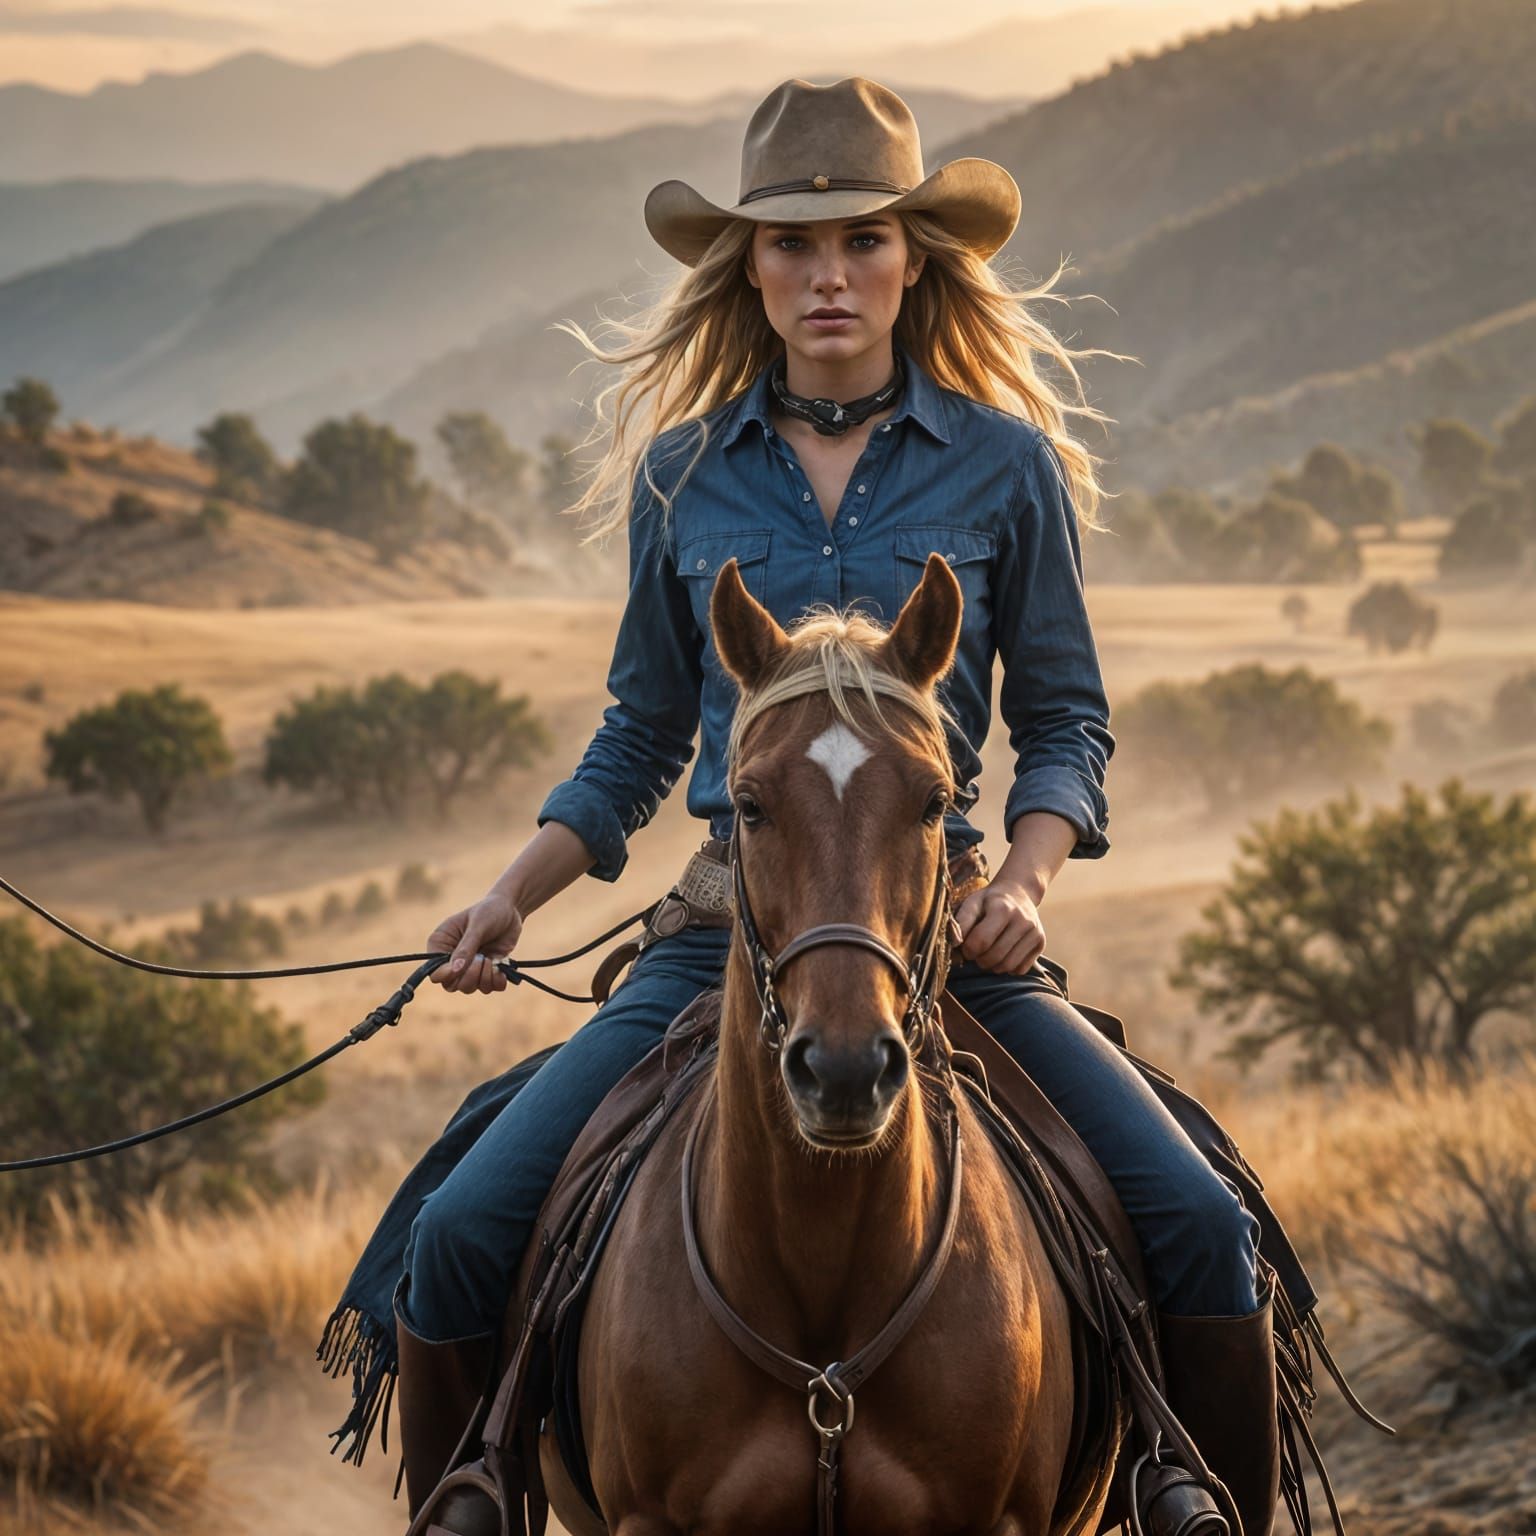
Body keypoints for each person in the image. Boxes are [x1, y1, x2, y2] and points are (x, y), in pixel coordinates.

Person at [329, 77, 1281, 1536]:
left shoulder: (1006, 467)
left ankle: (1185, 1489)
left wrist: (1021, 885)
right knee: (457, 1231)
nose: (829, 275)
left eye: (862, 242)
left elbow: (1065, 724)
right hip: (724, 930)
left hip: (941, 930)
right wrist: (510, 896)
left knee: (1203, 1223)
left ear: (913, 261)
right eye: (792, 245)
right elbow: (640, 738)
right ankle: (469, 1497)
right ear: (752, 270)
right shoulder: (684, 477)